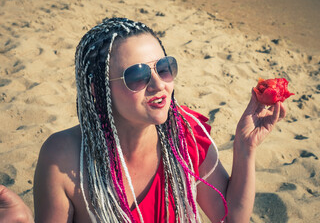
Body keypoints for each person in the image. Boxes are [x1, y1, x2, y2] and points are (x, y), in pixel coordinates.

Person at [1, 17, 286, 223]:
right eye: (137, 75)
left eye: (164, 68)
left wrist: (245, 148)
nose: (158, 84)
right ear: (97, 91)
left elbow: (231, 216)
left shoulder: (183, 132)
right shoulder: (63, 158)